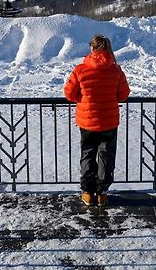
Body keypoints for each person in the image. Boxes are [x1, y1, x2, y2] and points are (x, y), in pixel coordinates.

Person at [64, 34, 130, 206]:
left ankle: (87, 192)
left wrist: (83, 98)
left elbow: (69, 93)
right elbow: (123, 94)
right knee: (106, 157)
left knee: (87, 155)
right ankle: (102, 192)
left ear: (92, 48)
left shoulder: (80, 69)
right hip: (108, 122)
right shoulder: (115, 70)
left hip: (87, 123)